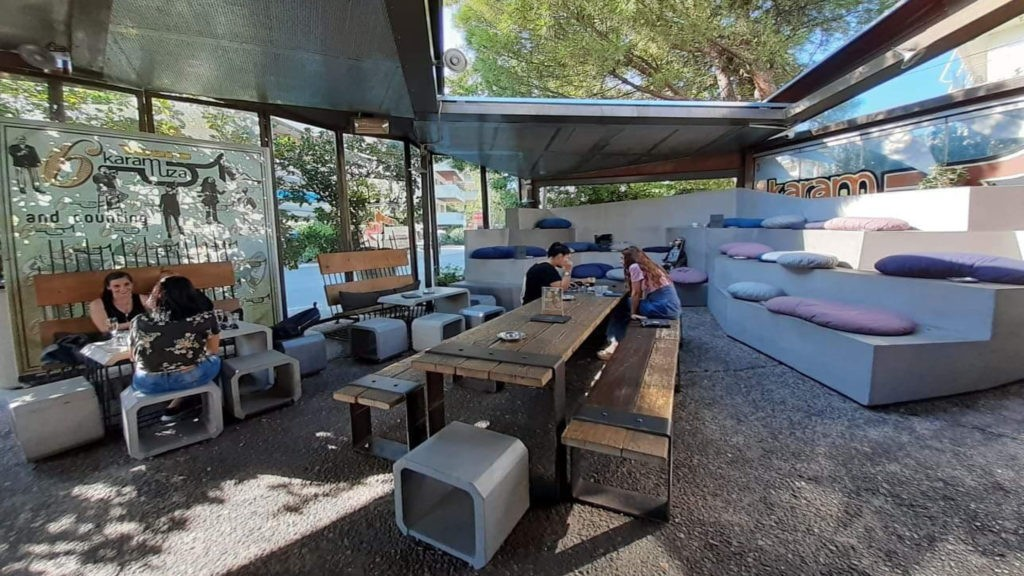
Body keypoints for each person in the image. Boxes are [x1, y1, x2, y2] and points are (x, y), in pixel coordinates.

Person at [129, 275, 221, 421]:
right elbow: (213, 351)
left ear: (156, 295)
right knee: (215, 360)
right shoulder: (204, 318)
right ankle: (207, 405)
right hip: (189, 377)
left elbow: (133, 357)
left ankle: (177, 403)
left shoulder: (138, 321)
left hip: (147, 383)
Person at [598, 246, 681, 361]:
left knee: (620, 307)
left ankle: (613, 344)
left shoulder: (634, 267)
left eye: (622, 258)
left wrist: (633, 313)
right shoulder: (651, 266)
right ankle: (618, 340)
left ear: (630, 258)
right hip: (670, 307)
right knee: (626, 307)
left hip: (663, 307)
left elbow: (636, 293)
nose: (621, 261)